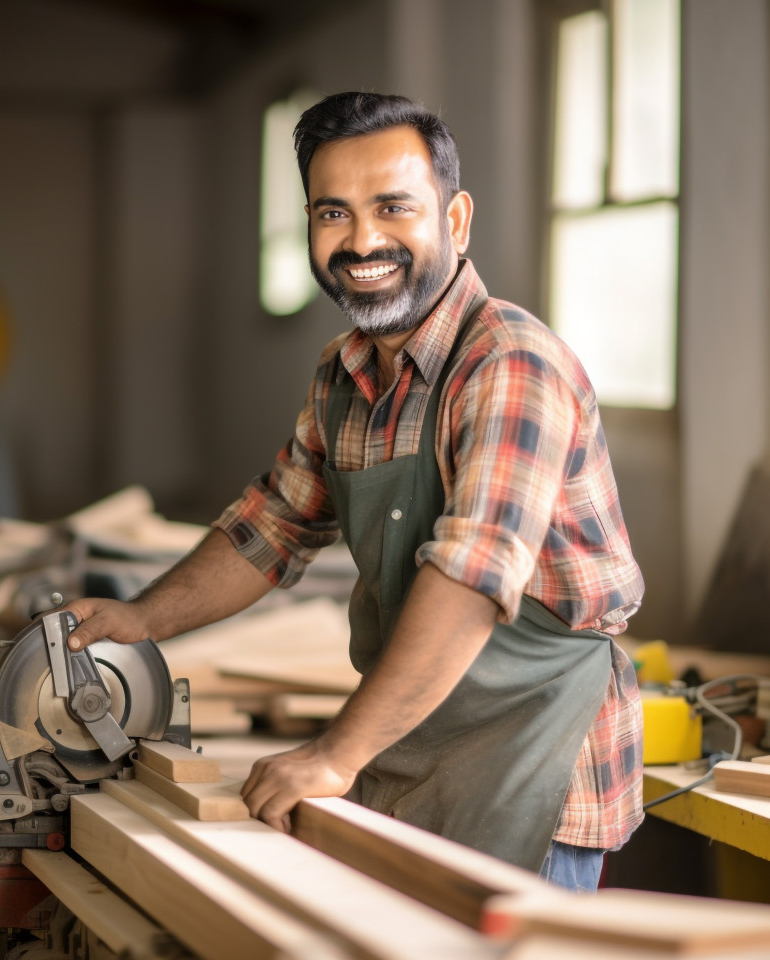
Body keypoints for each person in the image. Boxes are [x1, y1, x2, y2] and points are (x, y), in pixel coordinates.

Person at [63, 91, 645, 893]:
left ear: (457, 220)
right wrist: (139, 619)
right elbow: (272, 526)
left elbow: (473, 578)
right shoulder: (344, 373)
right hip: (411, 747)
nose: (363, 239)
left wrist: (333, 753)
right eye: (333, 213)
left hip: (535, 762)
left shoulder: (510, 365)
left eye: (393, 208)